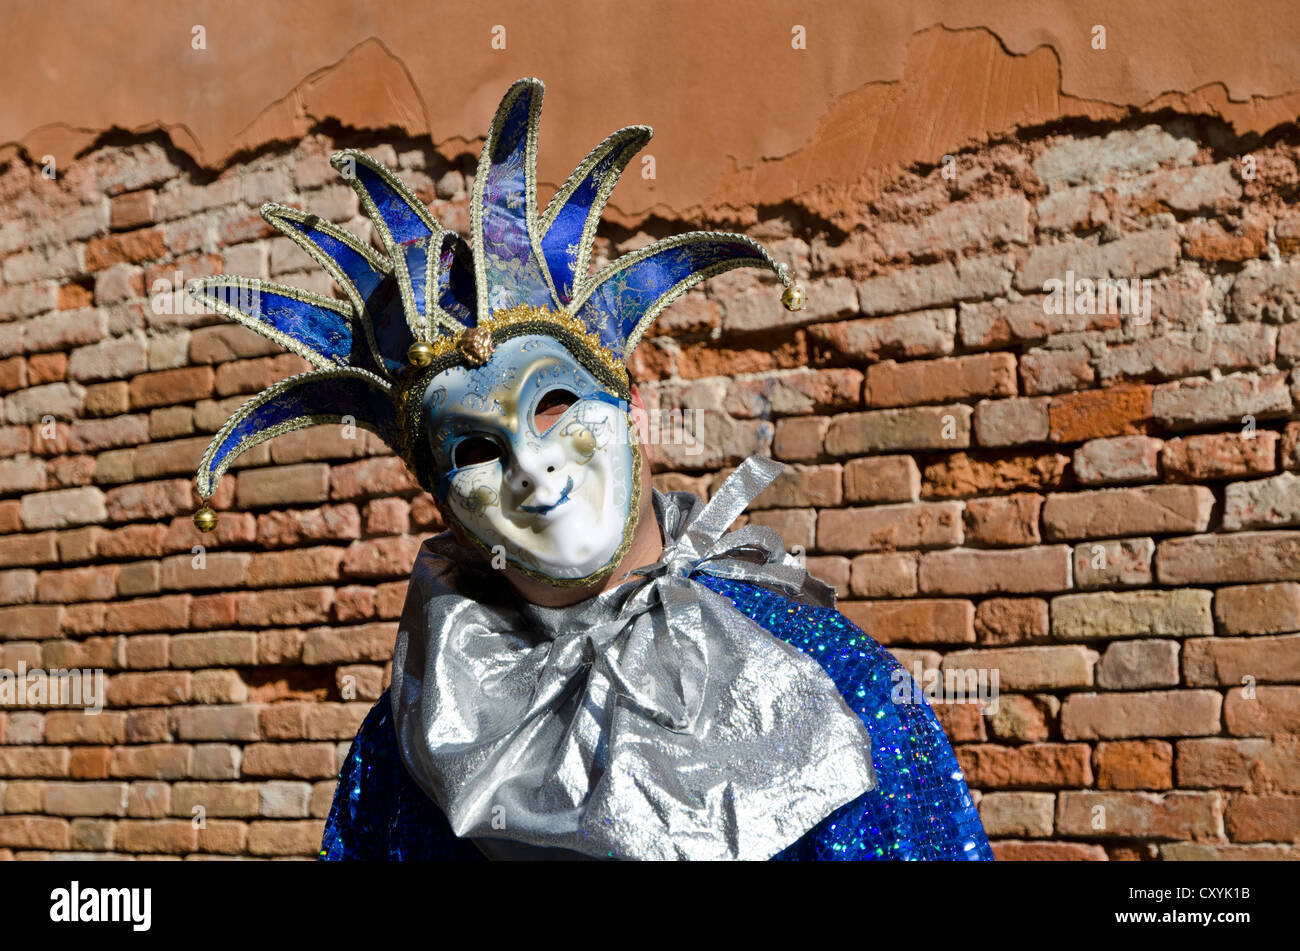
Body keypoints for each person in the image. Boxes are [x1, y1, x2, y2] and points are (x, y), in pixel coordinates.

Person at [188, 78, 993, 862]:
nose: (532, 467)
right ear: (443, 503)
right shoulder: (415, 744)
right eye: (474, 451)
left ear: (628, 406)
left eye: (556, 406)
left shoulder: (822, 678)